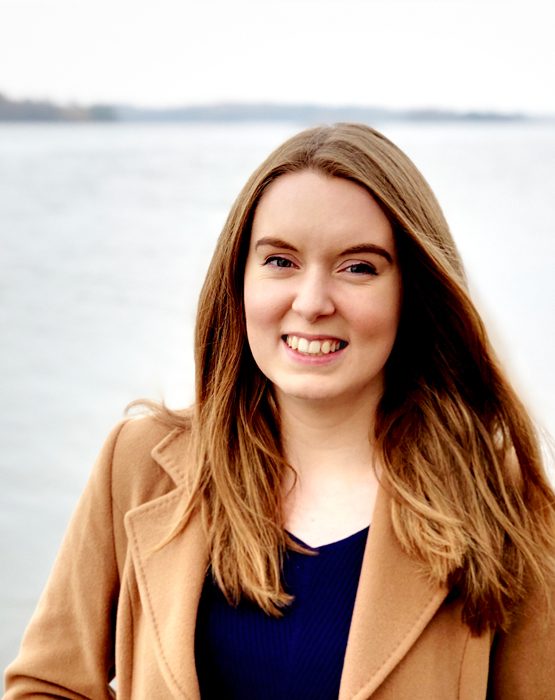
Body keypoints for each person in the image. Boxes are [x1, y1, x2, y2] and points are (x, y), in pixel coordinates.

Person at [4, 123, 555, 699]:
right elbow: (47, 685)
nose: (312, 302)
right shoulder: (138, 465)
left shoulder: (504, 502)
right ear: (239, 278)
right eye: (281, 261)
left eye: (358, 267)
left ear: (411, 290)